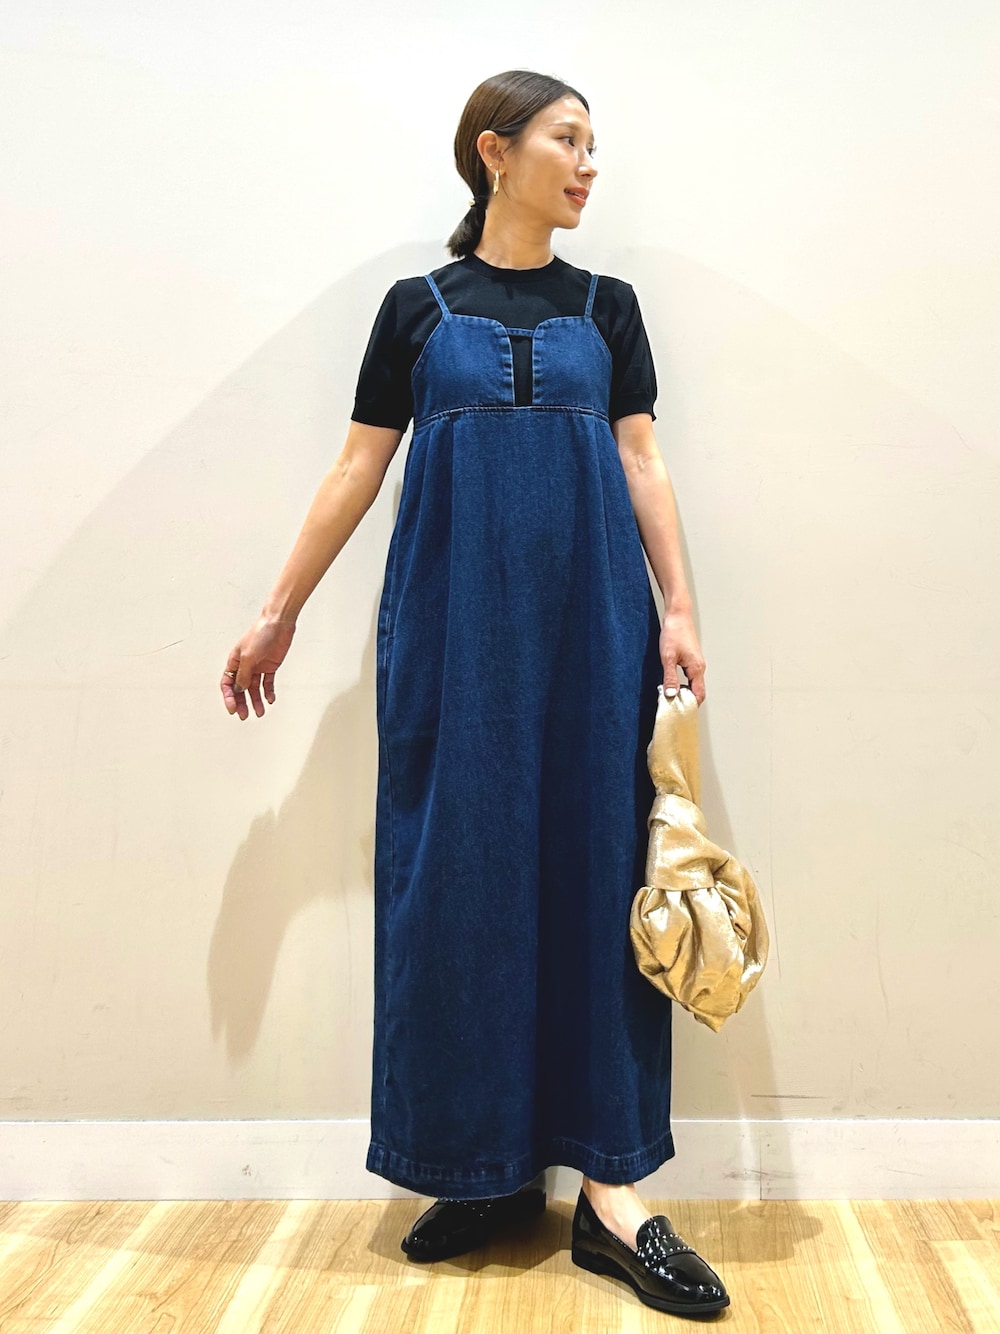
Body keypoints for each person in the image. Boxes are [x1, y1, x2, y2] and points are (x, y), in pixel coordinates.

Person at [220, 69, 729, 1319]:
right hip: (452, 641)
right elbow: (356, 466)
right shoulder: (417, 309)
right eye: (569, 139)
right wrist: (278, 609)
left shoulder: (607, 308)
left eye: (594, 144)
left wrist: (677, 606)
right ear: (495, 153)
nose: (589, 163)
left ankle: (613, 1191)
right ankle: (480, 1165)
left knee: (598, 872)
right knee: (456, 883)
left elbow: (641, 458)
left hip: (594, 635)